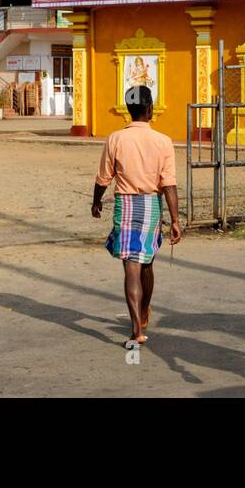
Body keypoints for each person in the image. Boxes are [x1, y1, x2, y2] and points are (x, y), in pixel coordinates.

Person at [92, 85, 181, 346]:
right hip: (151, 205)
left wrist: (96, 202)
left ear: (128, 111)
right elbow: (169, 184)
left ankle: (136, 330)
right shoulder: (163, 141)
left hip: (126, 205)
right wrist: (175, 220)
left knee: (131, 266)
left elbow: (103, 178)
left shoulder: (115, 139)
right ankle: (143, 312)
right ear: (151, 109)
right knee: (146, 263)